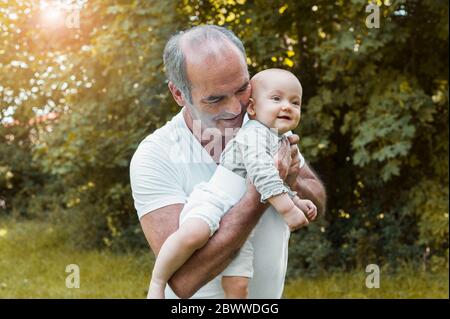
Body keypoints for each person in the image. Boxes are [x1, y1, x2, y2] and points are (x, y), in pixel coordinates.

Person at [130, 25, 326, 299]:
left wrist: (290, 182)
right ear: (178, 94)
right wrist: (260, 193)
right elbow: (183, 282)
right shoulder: (156, 155)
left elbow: (316, 200)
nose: (236, 108)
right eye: (215, 99)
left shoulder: (267, 124)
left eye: (242, 88)